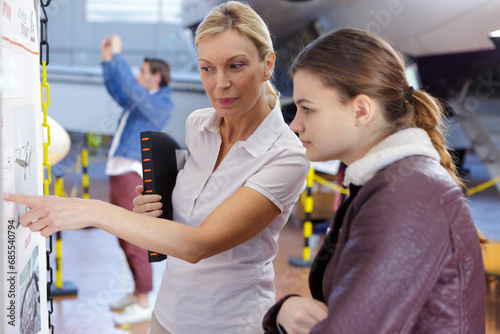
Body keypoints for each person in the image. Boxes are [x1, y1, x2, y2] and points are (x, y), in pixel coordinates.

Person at [5, 2, 309, 333]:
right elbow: (186, 220)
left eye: (235, 66)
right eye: (207, 68)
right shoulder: (198, 125)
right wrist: (154, 212)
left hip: (229, 322)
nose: (220, 83)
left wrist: (91, 211)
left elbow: (199, 244)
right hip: (167, 313)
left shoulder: (286, 156)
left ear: (268, 65)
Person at [262, 28, 486, 334]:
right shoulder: (388, 184)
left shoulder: (406, 195)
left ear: (362, 110)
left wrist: (280, 312)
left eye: (307, 109)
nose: (296, 124)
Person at [101, 34, 174, 325]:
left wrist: (118, 56)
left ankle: (144, 299)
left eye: (142, 71)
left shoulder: (161, 103)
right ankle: (137, 292)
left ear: (156, 77)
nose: (136, 75)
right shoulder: (143, 100)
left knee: (135, 240)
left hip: (131, 174)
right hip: (120, 172)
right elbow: (119, 90)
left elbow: (130, 89)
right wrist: (108, 62)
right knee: (123, 238)